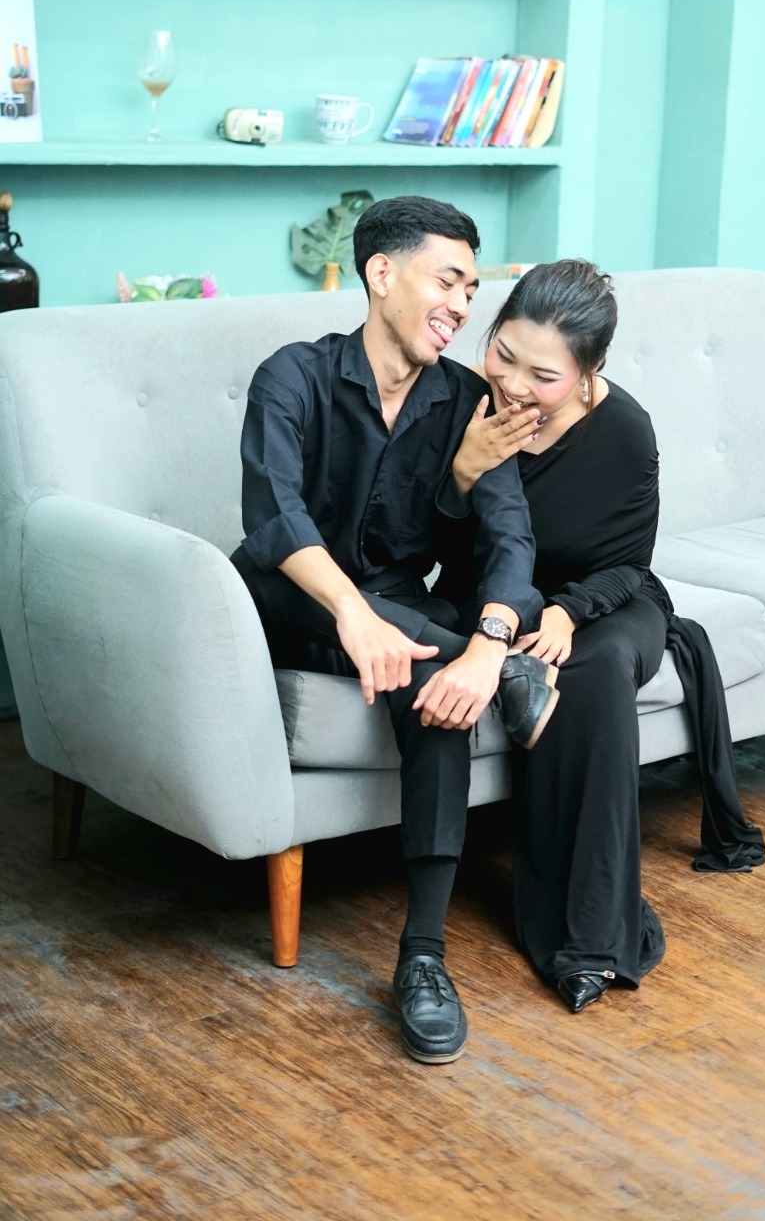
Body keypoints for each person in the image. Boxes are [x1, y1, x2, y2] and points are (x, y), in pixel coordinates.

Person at [231, 196, 557, 1066]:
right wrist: (353, 612)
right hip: (293, 604)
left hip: (404, 622)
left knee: (440, 691)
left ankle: (422, 959)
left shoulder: (465, 400)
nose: (461, 305)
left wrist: (486, 646)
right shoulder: (292, 377)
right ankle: (497, 674)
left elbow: (510, 537)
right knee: (274, 574)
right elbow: (273, 516)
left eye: (471, 290)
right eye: (447, 280)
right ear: (381, 273)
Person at [435, 259, 765, 1013]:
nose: (514, 385)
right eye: (503, 355)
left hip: (607, 600)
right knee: (529, 657)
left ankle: (593, 938)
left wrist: (567, 612)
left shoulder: (623, 430)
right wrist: (462, 474)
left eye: (544, 376)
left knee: (597, 663)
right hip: (492, 599)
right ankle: (571, 925)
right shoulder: (460, 404)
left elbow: (628, 564)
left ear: (589, 373)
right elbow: (427, 550)